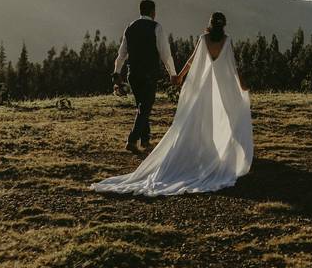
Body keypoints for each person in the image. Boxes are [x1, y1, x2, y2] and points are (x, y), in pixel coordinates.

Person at [93, 12, 253, 196]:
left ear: (209, 24)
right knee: (227, 113)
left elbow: (192, 60)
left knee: (197, 118)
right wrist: (241, 85)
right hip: (221, 84)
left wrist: (179, 76)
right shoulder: (227, 40)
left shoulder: (203, 39)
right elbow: (233, 66)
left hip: (203, 85)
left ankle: (199, 148)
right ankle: (228, 148)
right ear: (224, 25)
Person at [112, 0, 177, 150]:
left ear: (141, 11)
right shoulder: (156, 27)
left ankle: (145, 140)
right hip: (149, 74)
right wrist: (172, 73)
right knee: (145, 106)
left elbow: (121, 54)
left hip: (132, 74)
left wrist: (116, 73)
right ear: (153, 12)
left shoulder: (130, 27)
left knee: (142, 105)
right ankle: (132, 140)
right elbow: (165, 54)